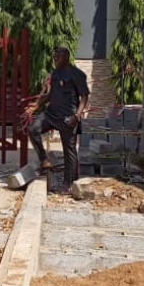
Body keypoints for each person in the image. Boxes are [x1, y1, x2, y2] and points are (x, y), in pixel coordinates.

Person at [25, 47, 90, 188]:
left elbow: (84, 96)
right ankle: (44, 160)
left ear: (66, 56)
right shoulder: (55, 74)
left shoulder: (77, 74)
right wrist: (37, 105)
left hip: (68, 117)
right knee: (33, 129)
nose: (55, 57)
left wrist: (77, 116)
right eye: (54, 55)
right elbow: (50, 95)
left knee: (69, 150)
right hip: (51, 114)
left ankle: (69, 184)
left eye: (58, 55)